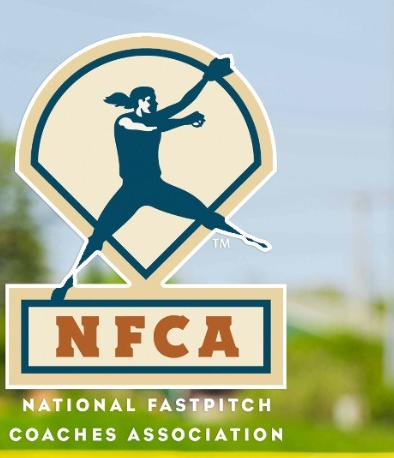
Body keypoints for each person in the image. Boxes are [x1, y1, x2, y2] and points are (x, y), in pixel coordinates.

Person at [51, 54, 270, 301]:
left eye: (155, 100)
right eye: (151, 100)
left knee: (203, 213)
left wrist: (206, 79)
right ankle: (69, 280)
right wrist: (186, 121)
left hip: (155, 187)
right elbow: (151, 128)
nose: (155, 104)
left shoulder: (153, 118)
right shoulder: (124, 121)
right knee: (99, 235)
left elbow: (181, 103)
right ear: (139, 102)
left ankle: (246, 238)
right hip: (131, 190)